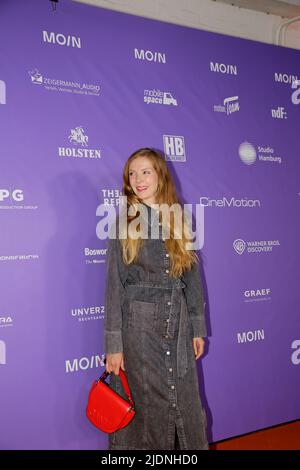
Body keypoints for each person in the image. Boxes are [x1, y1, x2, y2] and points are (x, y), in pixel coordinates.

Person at [104, 147, 208, 450]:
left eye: (145, 171)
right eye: (132, 174)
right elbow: (114, 287)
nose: (138, 179)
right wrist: (114, 346)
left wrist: (196, 326)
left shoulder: (179, 218)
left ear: (160, 175)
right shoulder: (125, 223)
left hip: (177, 327)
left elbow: (191, 276)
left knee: (184, 404)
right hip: (139, 332)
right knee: (147, 410)